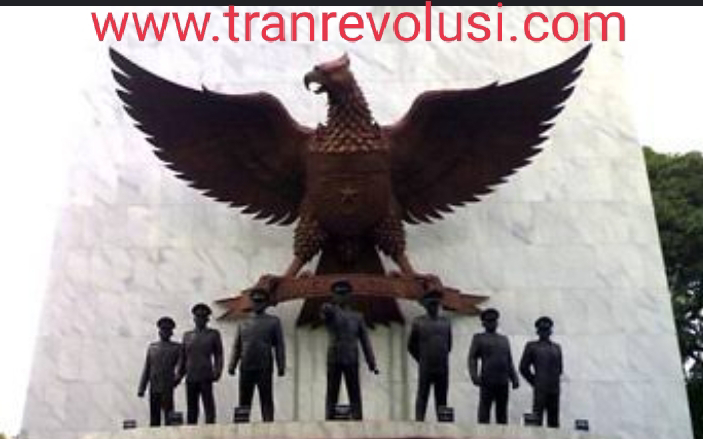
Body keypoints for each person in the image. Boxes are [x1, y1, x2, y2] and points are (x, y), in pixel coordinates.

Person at [321, 279, 379, 420]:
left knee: (354, 391)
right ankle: (329, 418)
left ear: (349, 296)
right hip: (334, 357)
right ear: (333, 296)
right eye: (338, 294)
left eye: (344, 294)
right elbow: (325, 314)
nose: (341, 297)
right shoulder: (331, 312)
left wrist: (371, 361)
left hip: (351, 357)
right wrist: (327, 308)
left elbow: (365, 341)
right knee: (332, 391)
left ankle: (357, 418)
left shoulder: (358, 317)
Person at [228, 288, 286, 422]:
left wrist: (281, 365)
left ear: (266, 303)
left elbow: (279, 345)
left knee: (266, 398)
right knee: (244, 399)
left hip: (264, 365)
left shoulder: (273, 321)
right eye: (255, 301)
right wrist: (232, 364)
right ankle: (241, 426)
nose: (258, 304)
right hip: (246, 365)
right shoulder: (243, 323)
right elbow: (237, 346)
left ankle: (269, 425)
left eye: (261, 301)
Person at [468, 308, 519, 424]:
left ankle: (503, 433)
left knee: (502, 413)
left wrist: (514, 377)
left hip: (503, 381)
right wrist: (474, 375)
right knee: (484, 411)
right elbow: (472, 358)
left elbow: (508, 360)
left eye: (494, 321)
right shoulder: (479, 338)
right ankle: (482, 433)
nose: (492, 323)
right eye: (489, 321)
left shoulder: (504, 339)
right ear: (484, 324)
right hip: (487, 380)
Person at [407, 289, 452, 421]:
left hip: (442, 366)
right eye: (431, 304)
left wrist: (441, 357)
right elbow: (411, 346)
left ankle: (444, 424)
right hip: (426, 366)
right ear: (426, 305)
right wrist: (421, 359)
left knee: (442, 397)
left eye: (436, 304)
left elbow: (449, 345)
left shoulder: (446, 323)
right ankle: (419, 422)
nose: (434, 307)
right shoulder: (418, 322)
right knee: (422, 395)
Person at [179, 303, 224, 425]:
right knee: (192, 408)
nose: (200, 320)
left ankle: (211, 430)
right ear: (194, 319)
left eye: (203, 317)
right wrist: (178, 375)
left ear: (207, 319)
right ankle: (191, 431)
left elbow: (219, 354)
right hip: (191, 376)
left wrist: (217, 371)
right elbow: (183, 357)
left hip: (206, 375)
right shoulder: (187, 336)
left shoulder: (213, 334)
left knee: (209, 406)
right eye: (198, 317)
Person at [138, 316, 182, 427]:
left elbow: (181, 366)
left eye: (167, 330)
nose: (165, 333)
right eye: (163, 330)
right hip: (154, 386)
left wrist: (177, 379)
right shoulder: (152, 348)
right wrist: (142, 388)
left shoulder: (176, 348)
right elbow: (147, 369)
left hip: (167, 385)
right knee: (154, 419)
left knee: (169, 417)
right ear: (159, 332)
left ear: (171, 333)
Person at [519, 316, 563, 428]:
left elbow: (560, 369)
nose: (545, 332)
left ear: (550, 331)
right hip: (540, 388)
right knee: (536, 419)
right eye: (542, 330)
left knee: (554, 421)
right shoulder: (531, 346)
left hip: (554, 388)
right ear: (538, 332)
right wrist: (535, 381)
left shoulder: (557, 348)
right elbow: (523, 367)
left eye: (547, 330)